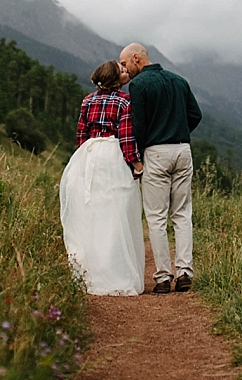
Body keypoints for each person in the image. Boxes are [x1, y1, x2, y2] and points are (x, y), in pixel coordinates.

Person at [119, 42, 202, 294]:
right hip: (183, 150)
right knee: (182, 214)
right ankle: (185, 272)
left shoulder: (139, 85)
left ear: (136, 58)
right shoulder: (179, 80)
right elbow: (195, 115)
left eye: (124, 63)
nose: (124, 69)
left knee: (156, 217)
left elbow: (139, 124)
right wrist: (178, 130)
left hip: (155, 151)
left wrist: (140, 153)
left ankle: (163, 278)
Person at [59, 60, 146, 295]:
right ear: (116, 80)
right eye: (122, 70)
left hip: (89, 155)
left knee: (92, 212)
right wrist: (137, 165)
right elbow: (127, 138)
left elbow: (81, 133)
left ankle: (91, 271)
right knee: (115, 212)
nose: (126, 71)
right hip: (112, 155)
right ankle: (116, 272)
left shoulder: (87, 100)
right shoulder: (124, 102)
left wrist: (84, 157)